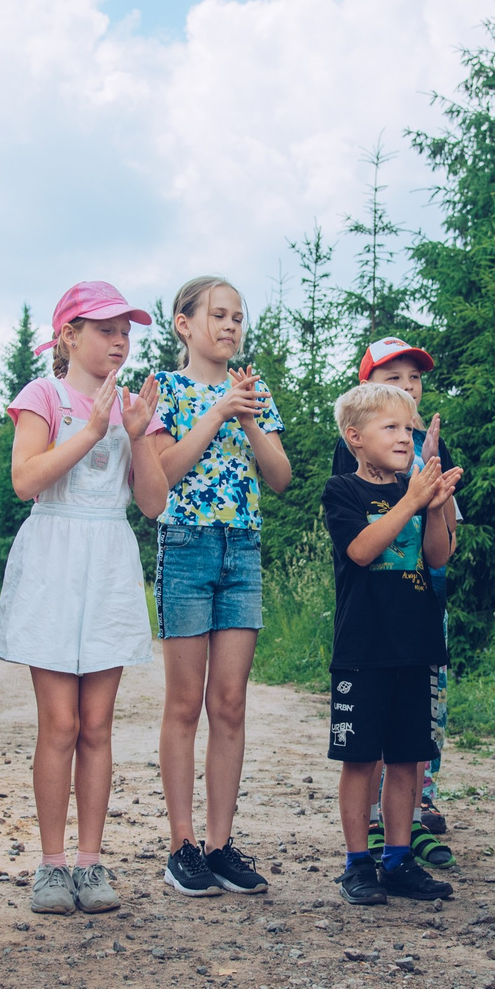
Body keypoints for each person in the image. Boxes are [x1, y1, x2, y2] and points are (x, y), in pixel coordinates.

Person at [0, 283, 164, 916]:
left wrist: (138, 435)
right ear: (68, 336)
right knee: (59, 723)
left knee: (97, 724)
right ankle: (51, 864)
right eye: (105, 328)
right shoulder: (45, 396)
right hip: (55, 558)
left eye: (126, 331)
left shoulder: (138, 403)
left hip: (109, 559)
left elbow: (153, 503)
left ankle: (91, 863)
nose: (120, 341)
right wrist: (92, 430)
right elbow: (25, 479)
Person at [147, 277, 291, 900]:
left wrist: (249, 414)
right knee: (185, 702)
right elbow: (161, 475)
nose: (231, 327)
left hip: (243, 549)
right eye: (218, 315)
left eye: (238, 318)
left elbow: (281, 477)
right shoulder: (165, 392)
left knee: (229, 703)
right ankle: (182, 844)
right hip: (186, 545)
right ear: (184, 324)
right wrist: (217, 411)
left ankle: (220, 842)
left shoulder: (254, 392)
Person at [324, 379, 463, 907]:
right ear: (355, 437)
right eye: (391, 427)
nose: (406, 437)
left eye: (409, 427)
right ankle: (358, 863)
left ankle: (399, 859)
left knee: (409, 759)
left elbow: (437, 558)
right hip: (364, 651)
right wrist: (411, 499)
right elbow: (361, 550)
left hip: (418, 646)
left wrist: (435, 507)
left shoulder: (419, 492)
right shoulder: (344, 491)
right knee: (362, 759)